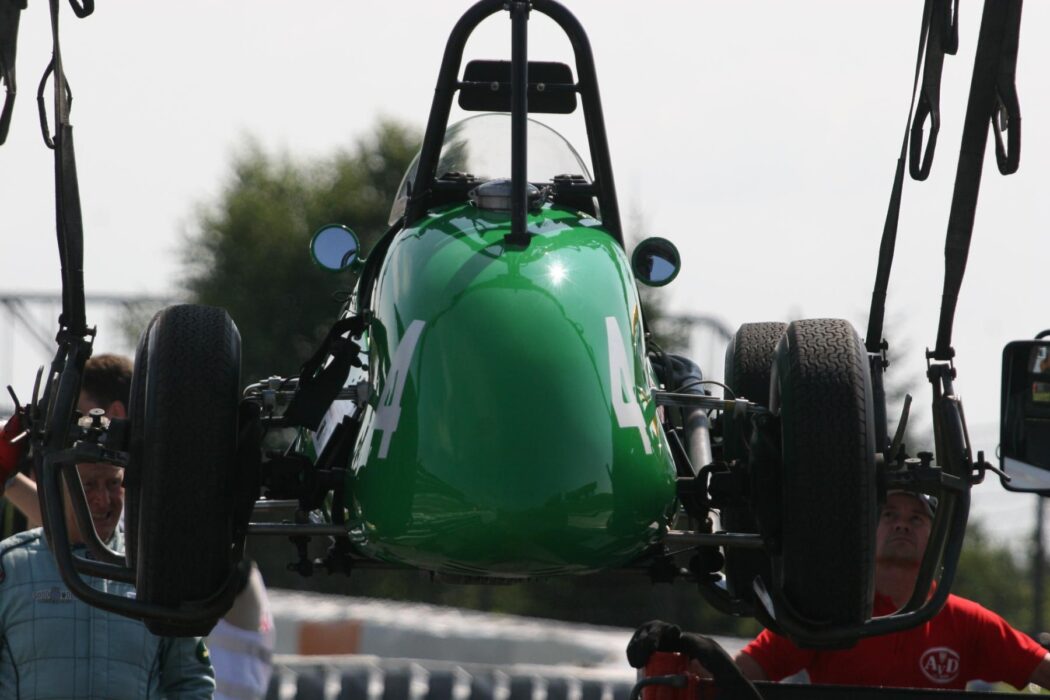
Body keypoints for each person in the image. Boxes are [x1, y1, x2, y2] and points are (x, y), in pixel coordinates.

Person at [0, 353, 276, 699]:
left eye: (113, 484)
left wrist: (9, 477)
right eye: (88, 485)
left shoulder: (158, 551)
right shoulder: (11, 567)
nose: (102, 499)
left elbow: (190, 680)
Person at [629, 490, 1050, 692]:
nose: (902, 524)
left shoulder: (966, 621)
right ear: (868, 529)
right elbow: (736, 679)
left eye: (916, 518)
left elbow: (1041, 668)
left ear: (935, 537)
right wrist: (683, 648)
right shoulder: (827, 612)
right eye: (889, 514)